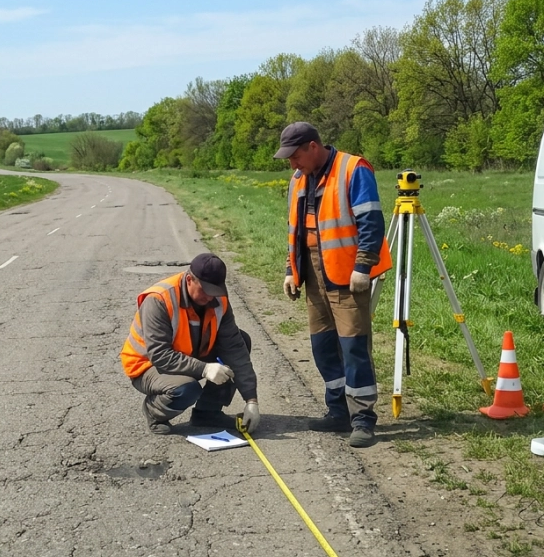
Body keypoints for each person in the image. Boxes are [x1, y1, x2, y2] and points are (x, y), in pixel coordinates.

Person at [274, 122, 387, 448]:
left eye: (295, 157)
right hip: (313, 274)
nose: (292, 165)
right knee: (322, 347)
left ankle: (362, 419)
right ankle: (337, 411)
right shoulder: (299, 179)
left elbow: (371, 221)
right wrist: (290, 269)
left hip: (347, 275)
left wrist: (363, 267)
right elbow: (295, 229)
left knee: (354, 348)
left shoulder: (353, 169)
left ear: (313, 146)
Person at [120, 253, 261, 436]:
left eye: (214, 291)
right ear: (189, 280)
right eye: (205, 290)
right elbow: (159, 355)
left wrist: (251, 400)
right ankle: (154, 412)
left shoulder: (218, 300)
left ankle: (207, 413)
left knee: (242, 340)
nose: (209, 297)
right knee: (186, 389)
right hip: (148, 365)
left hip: (188, 354)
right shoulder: (159, 300)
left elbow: (235, 348)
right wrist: (205, 369)